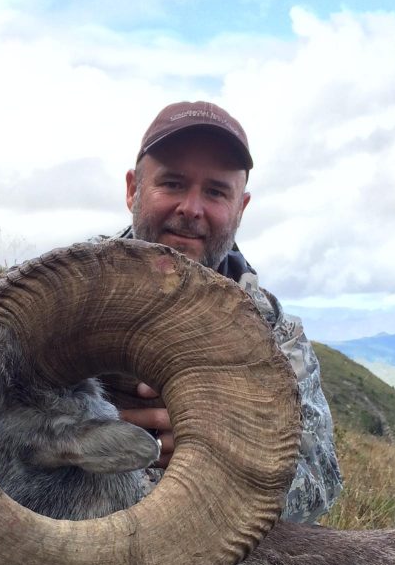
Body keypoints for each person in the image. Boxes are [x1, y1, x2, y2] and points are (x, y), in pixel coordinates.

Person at [110, 101, 342, 523]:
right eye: (173, 183)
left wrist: (222, 451)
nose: (192, 209)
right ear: (133, 189)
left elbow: (319, 487)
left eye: (216, 192)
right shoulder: (56, 294)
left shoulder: (276, 334)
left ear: (241, 208)